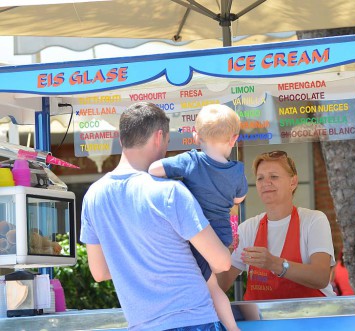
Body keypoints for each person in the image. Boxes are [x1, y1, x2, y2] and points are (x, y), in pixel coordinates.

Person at [80, 102, 231, 331]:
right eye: (168, 143)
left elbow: (99, 272)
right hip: (192, 320)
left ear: (122, 140)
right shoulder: (169, 191)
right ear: (159, 137)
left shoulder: (93, 197)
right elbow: (221, 263)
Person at [149, 103, 247, 331]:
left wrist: (176, 182)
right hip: (222, 238)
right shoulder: (237, 170)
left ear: (196, 137)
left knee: (210, 288)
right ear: (233, 140)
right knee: (209, 285)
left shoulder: (190, 161)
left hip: (199, 237)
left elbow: (153, 169)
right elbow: (239, 198)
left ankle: (232, 329)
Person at [218, 150, 336, 300]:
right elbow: (221, 285)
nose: (266, 183)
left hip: (310, 318)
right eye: (260, 178)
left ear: (293, 182)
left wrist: (274, 264)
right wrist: (224, 253)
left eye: (274, 176)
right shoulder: (247, 229)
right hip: (261, 321)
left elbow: (321, 276)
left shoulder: (313, 220)